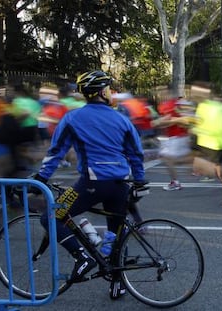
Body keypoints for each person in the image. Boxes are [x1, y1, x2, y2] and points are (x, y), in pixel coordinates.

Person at [32, 71, 145, 296]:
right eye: (110, 89)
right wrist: (140, 179)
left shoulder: (73, 118)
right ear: (102, 92)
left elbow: (57, 152)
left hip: (93, 182)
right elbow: (136, 152)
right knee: (114, 233)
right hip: (121, 183)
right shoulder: (121, 118)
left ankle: (81, 257)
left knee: (50, 217)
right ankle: (117, 283)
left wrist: (42, 177)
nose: (112, 92)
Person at [190, 84, 222, 207]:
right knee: (221, 172)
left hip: (216, 145)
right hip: (215, 144)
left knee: (203, 167)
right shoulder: (207, 106)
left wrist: (198, 130)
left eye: (196, 94)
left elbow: (219, 127)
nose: (194, 96)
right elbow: (200, 122)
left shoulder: (212, 108)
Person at [152, 92, 195, 191]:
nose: (160, 94)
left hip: (179, 137)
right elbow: (167, 122)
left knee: (168, 159)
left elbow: (186, 120)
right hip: (175, 137)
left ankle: (175, 182)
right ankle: (175, 181)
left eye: (162, 91)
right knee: (170, 158)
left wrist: (162, 122)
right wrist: (160, 123)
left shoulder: (177, 103)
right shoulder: (164, 105)